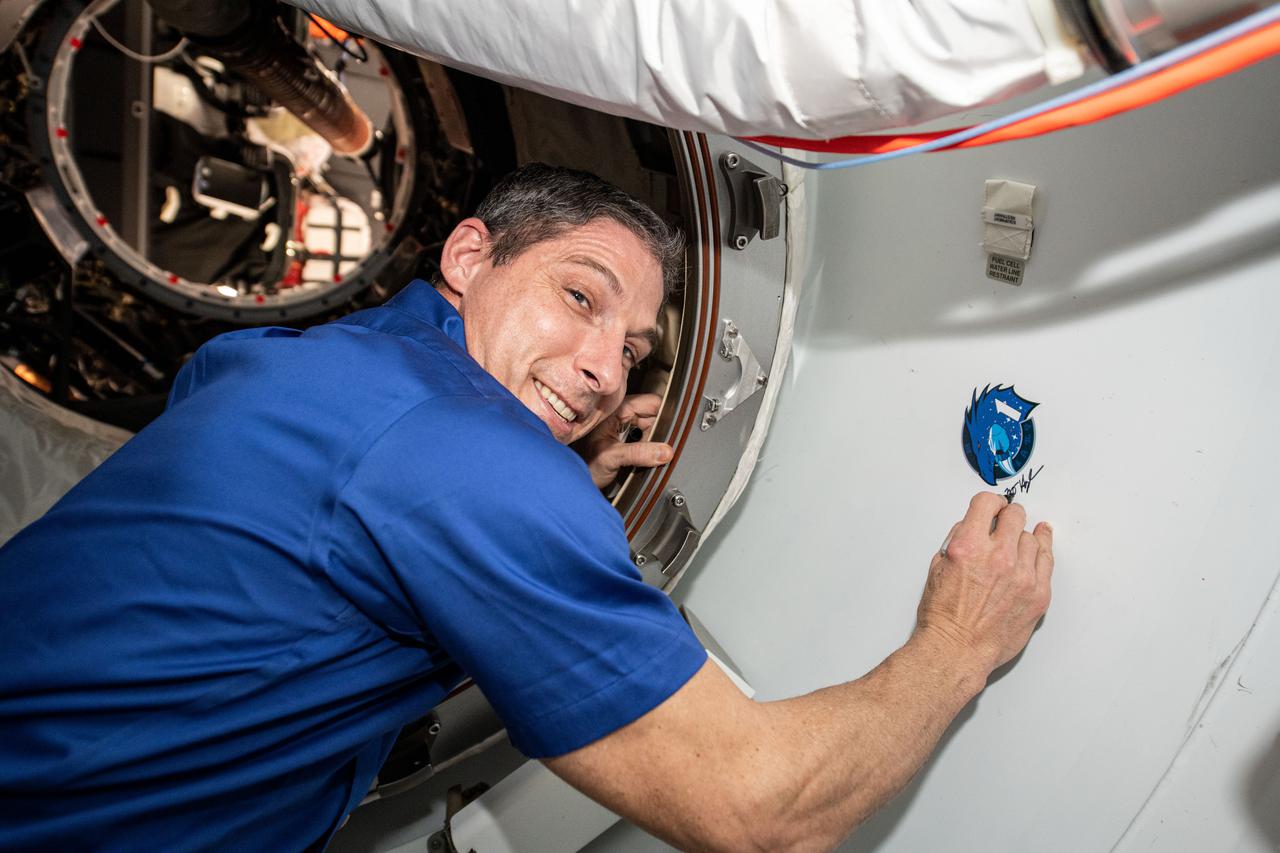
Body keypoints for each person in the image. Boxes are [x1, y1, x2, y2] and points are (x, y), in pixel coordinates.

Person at [0, 164, 1054, 852]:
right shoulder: (472, 462)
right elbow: (759, 807)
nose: (603, 370)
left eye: (633, 348)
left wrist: (529, 493)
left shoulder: (292, 360)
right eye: (579, 296)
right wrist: (958, 642)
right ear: (469, 257)